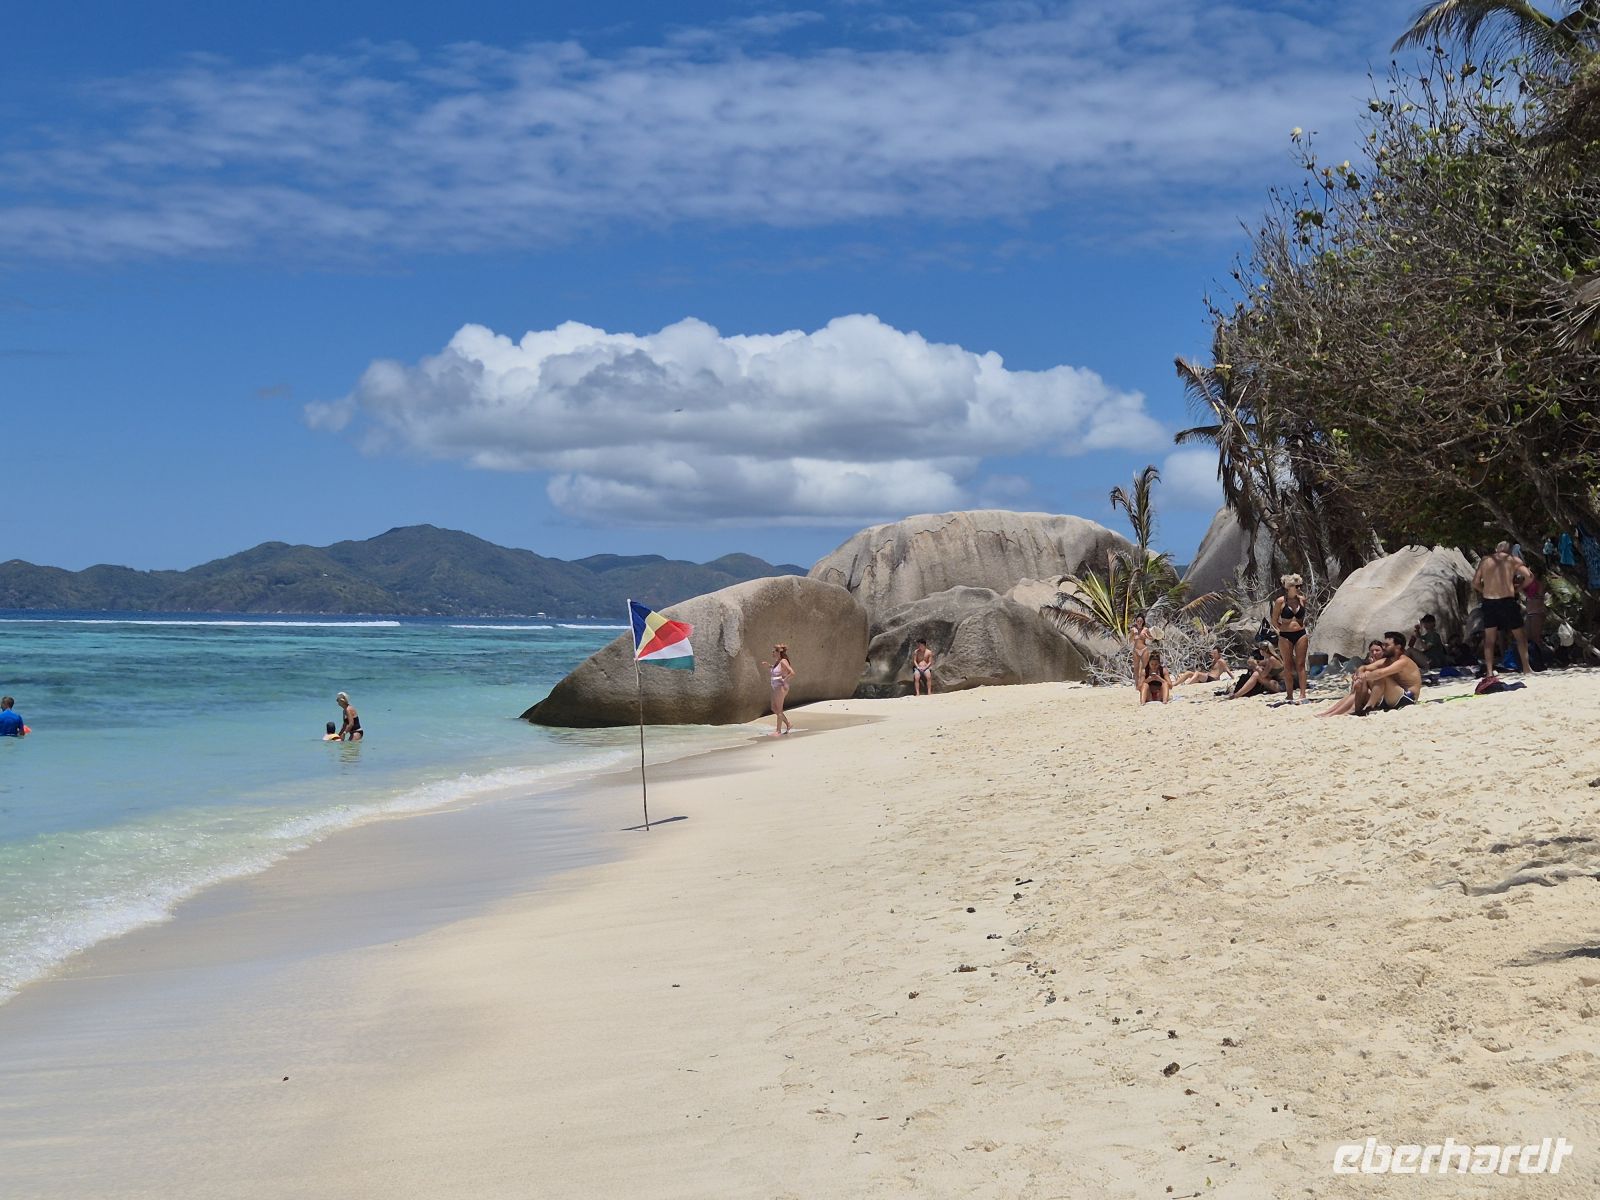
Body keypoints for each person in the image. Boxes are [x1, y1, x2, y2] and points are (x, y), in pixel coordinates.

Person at [1471, 542, 1532, 678]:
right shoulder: (1513, 560)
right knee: (1520, 636)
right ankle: (1527, 668)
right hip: (1507, 600)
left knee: (1490, 639)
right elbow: (1529, 576)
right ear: (1509, 550)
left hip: (1490, 602)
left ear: (1496, 549)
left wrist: (1484, 591)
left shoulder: (1486, 561)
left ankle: (1489, 671)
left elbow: (1475, 582)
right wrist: (1518, 588)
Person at [1316, 641, 1387, 718]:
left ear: (1383, 651)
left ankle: (1337, 712)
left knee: (1360, 682)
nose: (1374, 653)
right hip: (1368, 695)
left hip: (1381, 699)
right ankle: (1330, 711)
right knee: (1357, 686)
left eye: (1377, 650)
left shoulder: (1385, 663)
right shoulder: (1370, 665)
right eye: (1372, 651)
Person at [1359, 631, 1425, 712]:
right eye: (1383, 645)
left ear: (1398, 646)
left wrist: (1364, 677)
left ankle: (1369, 707)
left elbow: (1381, 673)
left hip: (1407, 698)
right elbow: (1364, 667)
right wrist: (1360, 673)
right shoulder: (1387, 660)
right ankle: (1360, 705)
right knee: (1367, 674)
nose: (1383, 647)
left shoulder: (1403, 661)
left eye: (1387, 645)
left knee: (1381, 676)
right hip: (1392, 697)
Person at [1273, 573, 1311, 705]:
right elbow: (1274, 620)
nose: (1300, 588)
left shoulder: (1302, 600)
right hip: (1285, 636)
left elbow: (1302, 618)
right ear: (1289, 587)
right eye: (1297, 586)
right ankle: (1289, 695)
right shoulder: (1280, 602)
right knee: (1288, 665)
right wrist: (1282, 630)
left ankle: (1302, 693)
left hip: (1300, 633)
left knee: (1301, 665)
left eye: (1300, 585)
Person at [759, 645, 795, 735]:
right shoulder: (777, 662)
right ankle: (788, 724)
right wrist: (769, 666)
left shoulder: (783, 661)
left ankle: (778, 731)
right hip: (776, 687)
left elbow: (792, 672)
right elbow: (776, 671)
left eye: (773, 651)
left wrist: (784, 679)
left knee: (779, 709)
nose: (772, 653)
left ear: (778, 652)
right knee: (773, 708)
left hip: (781, 687)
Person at [1523, 572, 1547, 645]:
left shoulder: (1539, 584)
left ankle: (1537, 654)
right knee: (1527, 637)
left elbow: (1536, 595)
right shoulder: (1528, 584)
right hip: (1529, 612)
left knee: (1535, 637)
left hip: (1537, 612)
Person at [1129, 614, 1152, 686]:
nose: (1139, 622)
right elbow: (1129, 640)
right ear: (1136, 621)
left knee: (1145, 667)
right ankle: (1137, 684)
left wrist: (1146, 636)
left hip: (1144, 649)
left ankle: (1145, 683)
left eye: (1141, 621)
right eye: (1138, 621)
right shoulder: (1133, 630)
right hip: (1136, 650)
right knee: (1136, 667)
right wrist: (1134, 635)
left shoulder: (1145, 629)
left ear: (1143, 621)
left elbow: (1152, 638)